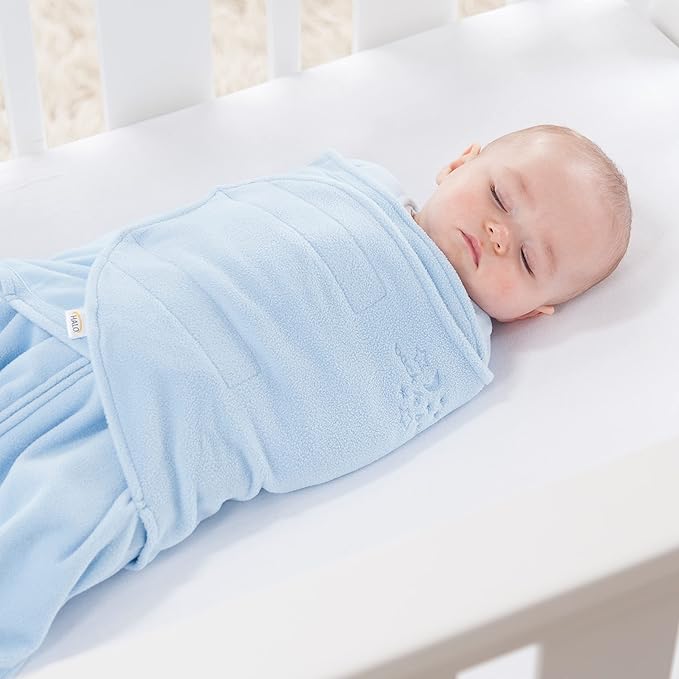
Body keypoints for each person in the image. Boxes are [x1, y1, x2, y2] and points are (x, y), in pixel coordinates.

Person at [0, 124, 631, 678]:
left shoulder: (449, 355)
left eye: (527, 258)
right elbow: (218, 225)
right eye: (500, 197)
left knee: (32, 546)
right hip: (77, 308)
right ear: (460, 162)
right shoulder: (352, 187)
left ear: (532, 312)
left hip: (147, 444)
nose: (498, 233)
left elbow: (317, 414)